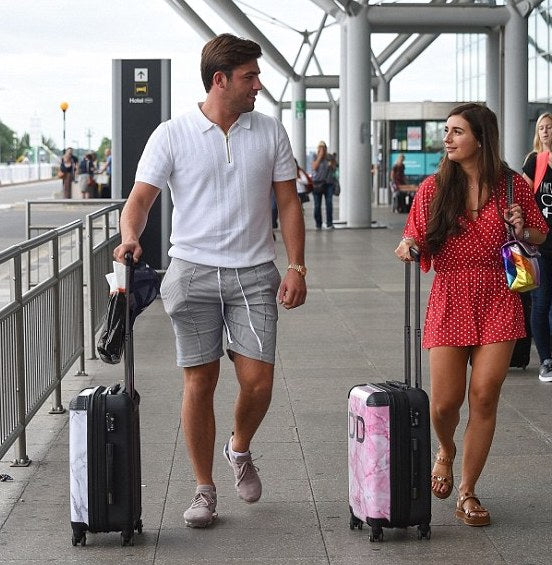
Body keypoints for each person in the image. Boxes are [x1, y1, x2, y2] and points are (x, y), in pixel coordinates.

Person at [113, 33, 307, 529]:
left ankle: (238, 448)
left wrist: (296, 265)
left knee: (258, 381)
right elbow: (139, 198)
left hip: (254, 272)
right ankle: (204, 490)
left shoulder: (269, 132)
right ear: (219, 80)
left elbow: (288, 202)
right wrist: (131, 237)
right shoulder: (171, 134)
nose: (258, 85)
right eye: (250, 77)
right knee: (200, 381)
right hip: (192, 272)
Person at [395, 103, 547, 527]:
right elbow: (414, 233)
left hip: (499, 295)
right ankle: (445, 448)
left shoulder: (513, 187)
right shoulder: (433, 188)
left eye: (457, 132)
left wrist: (522, 228)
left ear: (480, 138)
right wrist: (408, 245)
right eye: (446, 131)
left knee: (484, 394)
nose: (447, 139)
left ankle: (467, 490)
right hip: (450, 295)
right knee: (445, 404)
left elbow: (539, 233)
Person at [522, 113, 552, 382]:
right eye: (541, 128)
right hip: (540, 245)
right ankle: (546, 360)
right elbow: (521, 197)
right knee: (541, 303)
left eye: (549, 127)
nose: (544, 131)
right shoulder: (535, 161)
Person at [311, 141, 335, 229]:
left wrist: (332, 162)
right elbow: (314, 167)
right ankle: (318, 223)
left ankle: (329, 223)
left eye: (323, 148)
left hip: (328, 183)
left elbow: (334, 168)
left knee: (329, 203)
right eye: (320, 148)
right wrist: (320, 156)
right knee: (317, 205)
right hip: (317, 184)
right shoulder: (315, 156)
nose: (322, 150)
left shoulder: (329, 157)